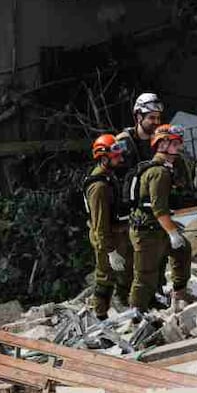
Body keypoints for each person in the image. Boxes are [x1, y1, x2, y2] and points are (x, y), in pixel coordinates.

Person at [128, 124, 193, 314]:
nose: (179, 146)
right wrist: (173, 233)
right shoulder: (159, 173)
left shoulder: (167, 168)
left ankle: (179, 294)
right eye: (175, 143)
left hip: (157, 228)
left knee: (182, 251)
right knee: (145, 275)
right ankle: (136, 314)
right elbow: (159, 209)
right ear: (163, 144)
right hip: (146, 231)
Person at [82, 135, 133, 319]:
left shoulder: (109, 177)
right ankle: (100, 316)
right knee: (105, 278)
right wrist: (110, 251)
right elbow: (100, 224)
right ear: (104, 158)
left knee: (126, 271)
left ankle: (123, 303)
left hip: (117, 233)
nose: (120, 159)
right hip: (106, 238)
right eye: (116, 156)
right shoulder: (99, 187)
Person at [115, 92, 163, 171]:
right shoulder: (124, 141)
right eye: (152, 118)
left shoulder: (161, 141)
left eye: (158, 118)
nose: (157, 122)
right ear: (139, 117)